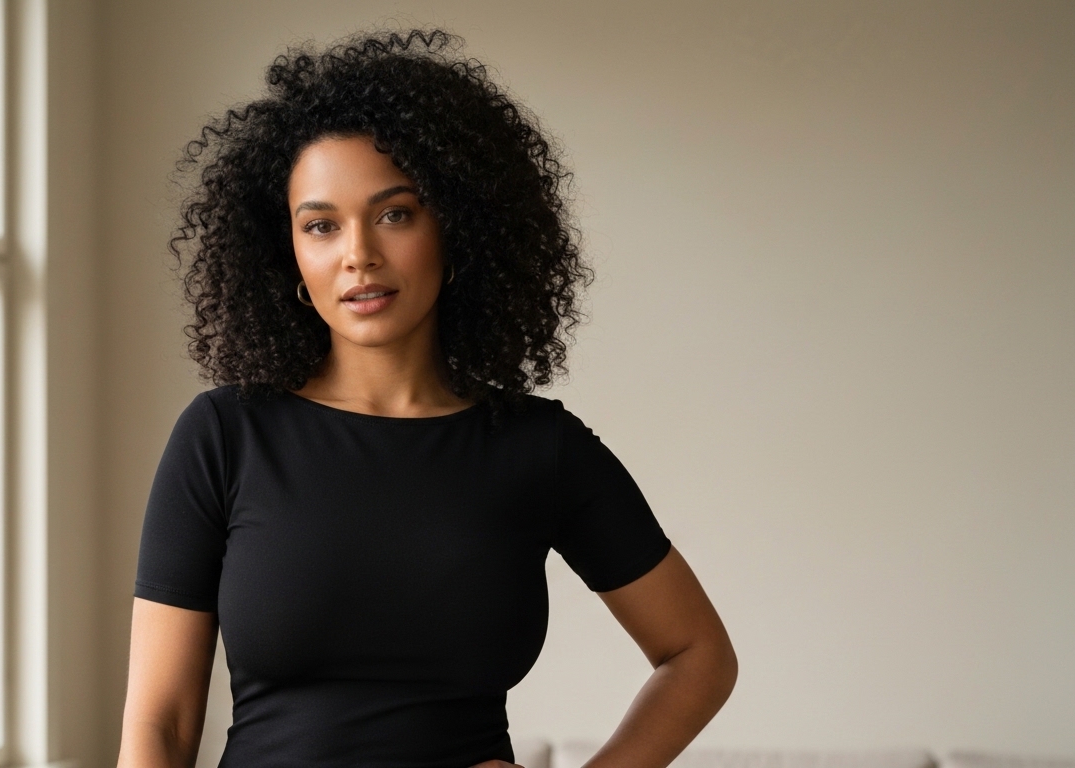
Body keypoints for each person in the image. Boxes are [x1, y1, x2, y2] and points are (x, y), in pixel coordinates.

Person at [117, 29, 737, 768]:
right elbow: (161, 722)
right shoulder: (224, 435)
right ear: (288, 252)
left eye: (394, 214)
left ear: (457, 226)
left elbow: (698, 654)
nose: (358, 255)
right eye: (321, 225)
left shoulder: (539, 447)